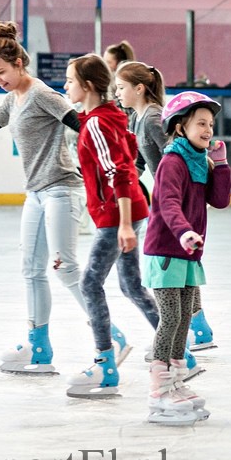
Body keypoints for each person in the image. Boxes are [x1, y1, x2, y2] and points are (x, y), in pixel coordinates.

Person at [0, 21, 123, 374]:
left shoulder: (41, 94)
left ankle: (111, 336)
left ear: (18, 64)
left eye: (1, 72)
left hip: (61, 189)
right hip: (36, 193)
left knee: (66, 268)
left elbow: (84, 125)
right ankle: (39, 347)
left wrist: (109, 165)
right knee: (31, 270)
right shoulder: (12, 100)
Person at [63, 54, 157, 398]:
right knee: (131, 286)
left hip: (117, 216)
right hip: (123, 212)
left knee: (90, 284)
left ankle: (105, 365)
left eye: (70, 81)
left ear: (88, 86)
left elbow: (120, 171)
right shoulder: (106, 117)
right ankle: (179, 351)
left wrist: (124, 224)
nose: (66, 87)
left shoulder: (97, 124)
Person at [115, 62, 218, 354]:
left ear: (139, 89)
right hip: (170, 199)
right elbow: (138, 161)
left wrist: (180, 188)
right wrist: (120, 186)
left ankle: (191, 332)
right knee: (178, 266)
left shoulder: (152, 118)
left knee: (177, 266)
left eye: (121, 87)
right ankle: (197, 329)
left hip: (178, 200)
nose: (117, 93)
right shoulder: (137, 118)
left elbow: (176, 151)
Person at [143, 91, 231, 425]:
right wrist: (183, 232)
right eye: (201, 123)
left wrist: (221, 165)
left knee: (184, 318)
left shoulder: (199, 161)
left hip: (188, 253)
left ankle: (176, 380)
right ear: (180, 127)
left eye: (210, 124)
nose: (208, 130)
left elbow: (220, 200)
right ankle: (159, 388)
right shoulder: (173, 162)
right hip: (166, 251)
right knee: (170, 318)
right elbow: (167, 203)